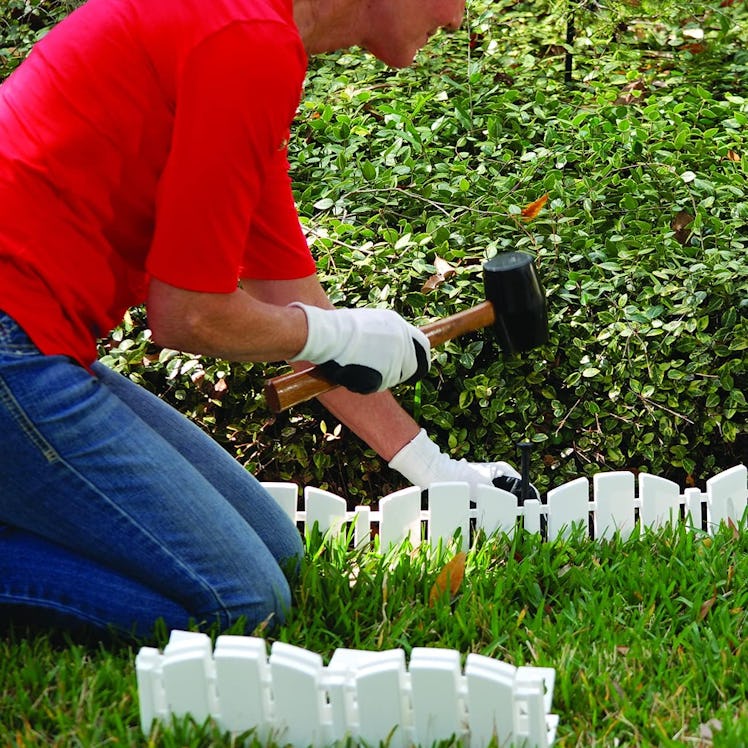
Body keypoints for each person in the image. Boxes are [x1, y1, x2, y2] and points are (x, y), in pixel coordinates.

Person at [0, 0, 526, 638]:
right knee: (242, 603)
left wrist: (437, 472)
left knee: (280, 554)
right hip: (14, 341)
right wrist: (341, 334)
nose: (457, 18)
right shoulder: (246, 41)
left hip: (36, 342)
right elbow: (187, 315)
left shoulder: (255, 36)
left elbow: (290, 303)